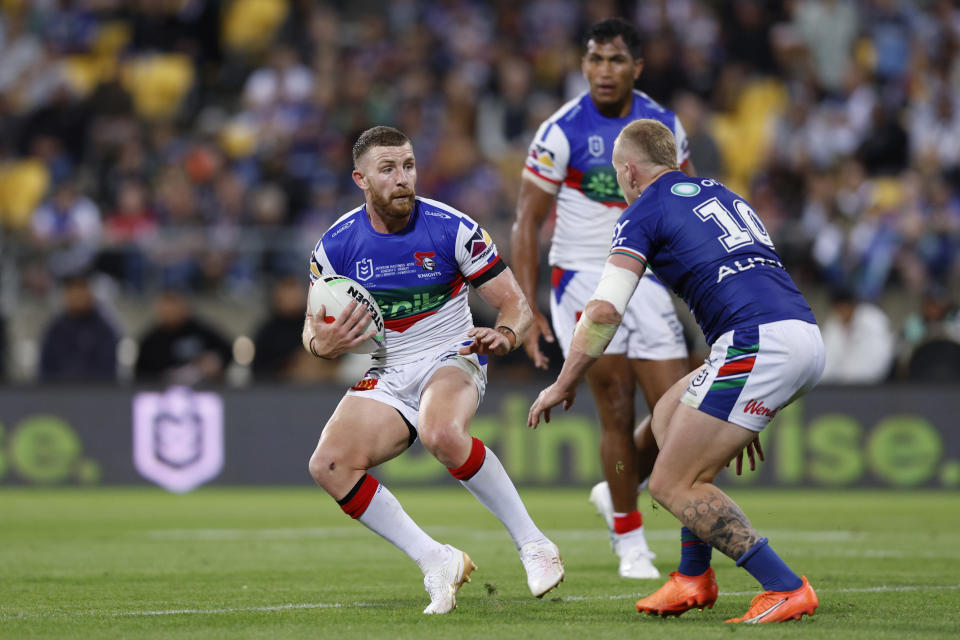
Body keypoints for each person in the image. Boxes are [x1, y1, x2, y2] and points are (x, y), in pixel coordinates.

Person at [529, 119, 823, 624]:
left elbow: (603, 310)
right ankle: (692, 577)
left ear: (629, 171)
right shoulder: (723, 194)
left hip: (756, 343)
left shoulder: (644, 209)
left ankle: (785, 586)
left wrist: (564, 380)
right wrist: (740, 410)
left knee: (670, 484)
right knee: (668, 417)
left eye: (620, 176)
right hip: (793, 333)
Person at [303, 126, 564, 615]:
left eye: (408, 166)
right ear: (360, 178)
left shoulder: (452, 229)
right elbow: (311, 329)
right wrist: (323, 343)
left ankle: (534, 543)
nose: (402, 179)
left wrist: (504, 335)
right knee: (328, 465)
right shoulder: (335, 246)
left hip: (452, 351)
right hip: (388, 367)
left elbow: (515, 304)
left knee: (440, 432)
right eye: (388, 169)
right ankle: (436, 559)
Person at [512, 17, 693, 579]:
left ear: (636, 67)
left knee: (681, 417)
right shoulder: (561, 129)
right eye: (595, 59)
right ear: (583, 64)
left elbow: (686, 203)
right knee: (616, 410)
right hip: (585, 280)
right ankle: (630, 540)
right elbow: (526, 223)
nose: (604, 70)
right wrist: (529, 305)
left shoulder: (663, 125)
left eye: (616, 60)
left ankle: (616, 492)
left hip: (651, 279)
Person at [135, 288, 233, 385]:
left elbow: (228, 350)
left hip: (202, 390)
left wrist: (216, 361)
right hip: (164, 392)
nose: (170, 310)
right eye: (166, 306)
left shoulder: (200, 330)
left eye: (174, 304)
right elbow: (140, 375)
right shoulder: (150, 341)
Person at [39, 270, 119, 382]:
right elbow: (45, 371)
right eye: (73, 288)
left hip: (96, 394)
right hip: (60, 395)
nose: (78, 294)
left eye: (82, 287)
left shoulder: (105, 329)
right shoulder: (55, 330)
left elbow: (108, 372)